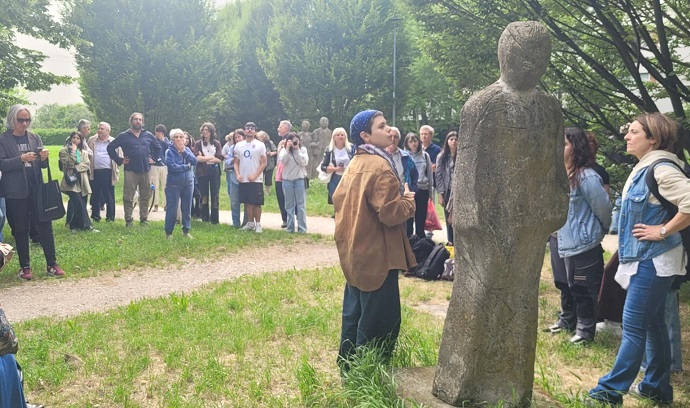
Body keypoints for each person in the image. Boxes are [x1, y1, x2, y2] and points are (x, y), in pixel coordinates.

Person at [588, 113, 690, 406]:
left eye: (634, 132)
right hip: (649, 259)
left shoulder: (661, 169)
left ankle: (609, 391)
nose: (627, 136)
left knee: (633, 327)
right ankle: (655, 387)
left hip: (654, 261)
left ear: (653, 139)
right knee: (653, 325)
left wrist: (663, 230)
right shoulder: (646, 167)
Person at [334, 109, 416, 372]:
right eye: (381, 126)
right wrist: (408, 201)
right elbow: (390, 214)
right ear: (365, 135)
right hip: (378, 256)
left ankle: (348, 370)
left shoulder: (355, 163)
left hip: (356, 253)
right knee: (379, 322)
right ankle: (368, 374)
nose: (389, 129)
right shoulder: (379, 166)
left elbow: (337, 201)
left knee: (355, 315)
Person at [547, 127, 611, 345]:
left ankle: (585, 331)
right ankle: (567, 320)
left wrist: (595, 231)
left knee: (583, 288)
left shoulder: (586, 176)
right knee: (563, 283)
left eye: (564, 144)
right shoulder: (558, 174)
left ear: (576, 147)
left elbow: (603, 208)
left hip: (582, 243)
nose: (558, 148)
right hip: (558, 238)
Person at [0, 104, 64, 279]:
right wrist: (20, 159)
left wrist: (43, 159)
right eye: (21, 120)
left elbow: (41, 166)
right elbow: (2, 164)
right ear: (12, 119)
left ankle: (52, 264)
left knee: (45, 226)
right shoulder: (3, 139)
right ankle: (25, 267)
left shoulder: (35, 138)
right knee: (21, 229)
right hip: (15, 191)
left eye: (27, 120)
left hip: (36, 188)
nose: (24, 123)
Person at [107, 112, 161, 227]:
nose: (138, 121)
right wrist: (120, 160)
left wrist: (154, 159)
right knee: (128, 196)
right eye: (135, 119)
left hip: (145, 169)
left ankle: (144, 219)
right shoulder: (124, 136)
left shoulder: (148, 135)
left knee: (145, 195)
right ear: (131, 121)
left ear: (142, 122)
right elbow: (110, 147)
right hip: (130, 170)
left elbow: (158, 147)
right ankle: (129, 220)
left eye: (140, 120)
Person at [60, 131, 98, 233]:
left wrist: (76, 168)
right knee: (78, 203)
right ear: (70, 139)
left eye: (78, 138)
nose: (75, 140)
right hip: (71, 181)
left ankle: (74, 226)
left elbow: (87, 165)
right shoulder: (63, 151)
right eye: (74, 138)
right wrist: (72, 151)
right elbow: (68, 164)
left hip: (83, 180)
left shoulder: (84, 152)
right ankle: (87, 226)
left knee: (82, 203)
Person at [165, 129, 199, 239]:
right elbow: (172, 167)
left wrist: (184, 151)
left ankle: (186, 231)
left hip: (188, 183)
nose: (179, 139)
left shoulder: (187, 150)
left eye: (181, 137)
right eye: (176, 137)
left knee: (187, 208)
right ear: (172, 139)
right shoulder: (169, 151)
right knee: (172, 209)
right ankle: (169, 232)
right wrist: (186, 167)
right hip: (173, 184)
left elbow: (194, 161)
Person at [234, 122, 267, 233]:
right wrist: (238, 174)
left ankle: (258, 224)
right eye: (247, 128)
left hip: (256, 179)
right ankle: (250, 223)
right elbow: (236, 162)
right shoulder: (239, 145)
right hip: (243, 179)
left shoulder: (260, 145)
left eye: (252, 128)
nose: (249, 130)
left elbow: (264, 162)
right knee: (247, 202)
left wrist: (255, 175)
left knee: (256, 202)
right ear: (244, 131)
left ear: (255, 131)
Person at [87, 122, 120, 222]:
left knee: (109, 195)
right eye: (99, 128)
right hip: (95, 171)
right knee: (95, 194)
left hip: (108, 172)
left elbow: (119, 156)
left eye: (102, 129)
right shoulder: (92, 140)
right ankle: (95, 216)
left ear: (108, 131)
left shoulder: (113, 141)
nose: (99, 130)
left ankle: (110, 217)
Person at [404, 132, 433, 238]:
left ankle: (420, 242)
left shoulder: (425, 155)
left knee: (420, 219)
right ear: (407, 143)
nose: (413, 144)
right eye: (410, 142)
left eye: (415, 141)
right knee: (408, 220)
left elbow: (429, 174)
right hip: (410, 190)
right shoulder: (404, 156)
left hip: (422, 189)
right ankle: (409, 241)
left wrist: (430, 193)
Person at [278, 133, 308, 233]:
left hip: (299, 179)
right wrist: (287, 148)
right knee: (289, 205)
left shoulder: (303, 149)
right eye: (291, 141)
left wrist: (297, 149)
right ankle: (290, 228)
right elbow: (283, 161)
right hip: (287, 180)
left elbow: (304, 162)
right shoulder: (284, 150)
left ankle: (302, 228)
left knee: (301, 205)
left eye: (296, 140)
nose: (294, 142)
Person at [194, 122, 223, 224]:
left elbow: (219, 158)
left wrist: (204, 158)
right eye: (204, 130)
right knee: (204, 194)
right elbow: (197, 158)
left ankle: (214, 219)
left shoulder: (216, 143)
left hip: (214, 171)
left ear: (211, 132)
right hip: (202, 171)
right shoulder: (198, 143)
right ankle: (205, 217)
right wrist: (211, 158)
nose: (205, 132)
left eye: (207, 130)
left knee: (215, 194)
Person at [320, 127, 353, 208]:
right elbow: (323, 167)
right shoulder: (330, 149)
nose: (340, 136)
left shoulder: (351, 148)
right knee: (337, 203)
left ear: (345, 137)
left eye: (342, 135)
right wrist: (336, 169)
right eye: (338, 135)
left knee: (348, 203)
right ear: (334, 137)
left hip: (348, 178)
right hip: (335, 179)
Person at [435, 131, 458, 244]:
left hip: (459, 191)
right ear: (447, 141)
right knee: (449, 218)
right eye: (451, 139)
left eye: (456, 139)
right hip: (447, 191)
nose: (454, 142)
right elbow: (438, 176)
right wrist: (440, 193)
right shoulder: (441, 156)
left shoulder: (462, 156)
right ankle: (450, 241)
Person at [386, 127, 418, 195]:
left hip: (403, 195)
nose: (393, 139)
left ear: (399, 139)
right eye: (390, 136)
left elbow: (414, 175)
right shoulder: (379, 155)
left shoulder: (406, 157)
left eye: (395, 137)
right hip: (386, 195)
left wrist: (412, 189)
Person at [275, 120, 292, 228]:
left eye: (280, 127)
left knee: (287, 198)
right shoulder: (281, 142)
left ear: (286, 128)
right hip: (279, 173)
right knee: (280, 196)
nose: (278, 128)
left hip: (288, 173)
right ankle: (285, 219)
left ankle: (289, 219)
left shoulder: (292, 140)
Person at [150, 124, 169, 213]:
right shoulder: (152, 140)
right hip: (154, 165)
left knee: (165, 185)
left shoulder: (166, 141)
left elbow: (168, 149)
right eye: (156, 132)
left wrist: (162, 140)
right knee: (155, 185)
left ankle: (165, 204)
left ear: (162, 133)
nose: (157, 134)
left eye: (159, 132)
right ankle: (155, 204)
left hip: (164, 165)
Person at [258, 130, 277, 195]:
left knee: (268, 178)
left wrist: (270, 153)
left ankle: (267, 191)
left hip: (269, 163)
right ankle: (260, 190)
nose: (258, 138)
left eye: (259, 137)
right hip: (260, 163)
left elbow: (275, 151)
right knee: (260, 177)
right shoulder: (257, 144)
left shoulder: (270, 143)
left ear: (264, 137)